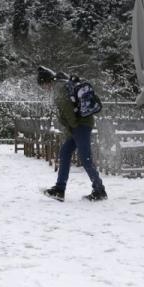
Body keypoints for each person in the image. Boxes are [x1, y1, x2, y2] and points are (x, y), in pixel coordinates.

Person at [38, 66, 107, 202]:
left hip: (80, 125)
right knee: (65, 152)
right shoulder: (61, 85)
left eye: (42, 85)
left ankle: (99, 190)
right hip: (79, 125)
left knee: (85, 158)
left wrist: (73, 128)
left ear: (46, 82)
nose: (43, 89)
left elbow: (68, 110)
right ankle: (59, 189)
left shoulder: (58, 88)